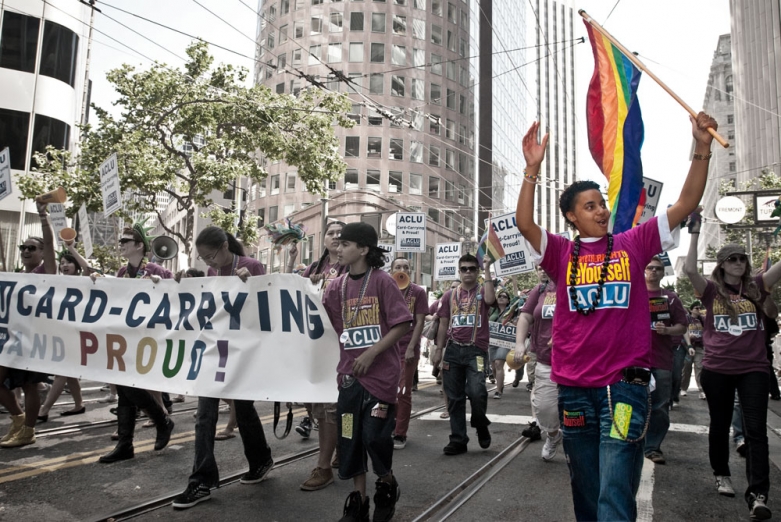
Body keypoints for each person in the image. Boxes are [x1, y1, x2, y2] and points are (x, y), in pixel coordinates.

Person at [515, 113, 716, 521]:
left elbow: (686, 203)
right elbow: (524, 223)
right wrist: (532, 170)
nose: (602, 211)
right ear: (571, 216)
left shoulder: (634, 242)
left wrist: (702, 148)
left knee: (615, 482)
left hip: (625, 385)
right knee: (586, 483)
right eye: (590, 206)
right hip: (573, 388)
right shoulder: (559, 252)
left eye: (602, 203)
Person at [172, 226, 274, 509]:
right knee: (205, 415)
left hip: (242, 354)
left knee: (243, 410)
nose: (208, 263)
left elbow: (267, 304)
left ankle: (261, 459)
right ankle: (201, 480)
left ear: (224, 246)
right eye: (203, 259)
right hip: (215, 353)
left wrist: (250, 283)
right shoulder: (211, 274)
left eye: (210, 256)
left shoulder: (252, 266)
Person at [684, 232, 781, 521]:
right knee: (721, 423)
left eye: (742, 258)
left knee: (756, 430)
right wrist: (694, 231)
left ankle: (758, 494)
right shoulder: (711, 291)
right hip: (717, 368)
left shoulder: (758, 286)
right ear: (722, 265)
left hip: (753, 368)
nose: (739, 262)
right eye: (732, 259)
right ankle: (721, 473)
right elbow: (690, 269)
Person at [321, 222, 411, 522]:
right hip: (349, 379)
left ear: (363, 249)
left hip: (381, 377)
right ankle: (358, 499)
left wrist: (372, 353)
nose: (339, 246)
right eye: (338, 242)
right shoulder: (336, 287)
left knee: (374, 437)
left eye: (345, 243)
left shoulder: (383, 282)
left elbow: (402, 324)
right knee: (350, 437)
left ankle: (386, 484)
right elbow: (337, 329)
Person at [96, 222, 175, 463]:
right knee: (123, 387)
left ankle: (161, 421)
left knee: (132, 385)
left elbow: (178, 293)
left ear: (139, 245)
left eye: (125, 242)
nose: (120, 245)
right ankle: (126, 443)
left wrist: (160, 286)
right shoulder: (121, 272)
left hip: (150, 337)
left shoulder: (156, 270)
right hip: (127, 337)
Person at [289, 220, 347, 491]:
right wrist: (292, 263)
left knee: (333, 409)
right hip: (316, 346)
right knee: (316, 406)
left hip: (344, 347)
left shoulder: (356, 269)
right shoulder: (314, 268)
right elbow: (290, 294)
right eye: (331, 233)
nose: (335, 237)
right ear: (323, 239)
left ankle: (324, 467)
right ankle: (342, 448)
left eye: (340, 233)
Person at [0, 201, 57, 447]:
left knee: (30, 385)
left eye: (31, 248)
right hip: (10, 338)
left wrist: (43, 217)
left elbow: (51, 246)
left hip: (33, 338)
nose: (25, 251)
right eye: (23, 247)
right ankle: (18, 418)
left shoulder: (46, 272)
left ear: (42, 252)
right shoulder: (16, 275)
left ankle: (28, 431)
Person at [434, 253, 496, 455]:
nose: (468, 272)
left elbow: (490, 299)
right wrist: (438, 350)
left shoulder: (482, 291)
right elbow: (443, 324)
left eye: (472, 268)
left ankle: (480, 423)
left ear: (477, 271)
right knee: (454, 397)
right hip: (453, 350)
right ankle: (458, 439)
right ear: (459, 271)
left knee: (477, 391)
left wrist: (487, 269)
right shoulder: (449, 295)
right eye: (464, 269)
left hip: (475, 351)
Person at [38, 242, 91, 422]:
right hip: (62, 332)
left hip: (77, 333)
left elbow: (88, 267)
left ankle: (44, 410)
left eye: (68, 262)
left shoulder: (83, 281)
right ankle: (79, 404)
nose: (64, 265)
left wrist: (71, 248)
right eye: (61, 263)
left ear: (75, 266)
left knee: (62, 371)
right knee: (70, 373)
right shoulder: (57, 282)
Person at [513, 266, 561, 460]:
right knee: (545, 408)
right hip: (545, 359)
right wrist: (519, 344)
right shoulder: (541, 290)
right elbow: (525, 316)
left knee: (577, 411)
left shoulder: (580, 284)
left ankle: (579, 450)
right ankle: (553, 435)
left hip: (576, 362)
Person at [644, 255, 687, 464]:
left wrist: (668, 330)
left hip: (661, 360)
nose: (653, 271)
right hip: (634, 360)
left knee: (660, 406)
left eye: (658, 269)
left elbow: (682, 325)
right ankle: (626, 442)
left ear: (663, 273)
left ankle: (653, 446)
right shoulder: (631, 294)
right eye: (650, 268)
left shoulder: (670, 298)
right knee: (627, 403)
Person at [390, 257, 428, 450]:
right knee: (387, 390)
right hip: (387, 349)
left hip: (407, 348)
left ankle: (400, 432)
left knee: (403, 391)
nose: (402, 269)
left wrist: (413, 347)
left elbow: (420, 322)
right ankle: (389, 425)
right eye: (398, 267)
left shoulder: (418, 292)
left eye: (405, 267)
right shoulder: (386, 288)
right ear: (391, 270)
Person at [487, 288, 513, 399]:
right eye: (500, 296)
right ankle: (500, 384)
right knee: (493, 367)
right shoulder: (492, 310)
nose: (502, 298)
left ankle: (498, 391)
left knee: (498, 364)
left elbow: (518, 321)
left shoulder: (512, 311)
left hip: (504, 341)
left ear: (508, 300)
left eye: (504, 296)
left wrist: (512, 324)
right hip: (491, 341)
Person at [681, 301, 705, 398]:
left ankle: (701, 389)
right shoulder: (687, 319)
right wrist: (689, 337)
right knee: (687, 367)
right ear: (691, 310)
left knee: (699, 367)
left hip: (699, 346)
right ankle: (683, 388)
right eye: (696, 308)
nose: (698, 310)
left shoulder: (702, 320)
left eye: (700, 308)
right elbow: (683, 331)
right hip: (688, 346)